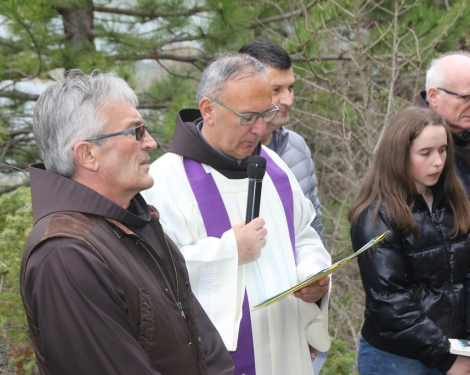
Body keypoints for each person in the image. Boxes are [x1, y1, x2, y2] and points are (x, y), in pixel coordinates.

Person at [19, 71, 234, 375]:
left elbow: (203, 342)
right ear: (88, 154)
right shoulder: (65, 255)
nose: (151, 142)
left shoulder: (136, 222)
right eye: (135, 132)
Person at [142, 54, 331, 375]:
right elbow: (152, 276)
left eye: (265, 114)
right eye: (247, 117)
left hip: (287, 348)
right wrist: (230, 252)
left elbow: (304, 235)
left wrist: (313, 274)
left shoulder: (277, 169)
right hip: (218, 359)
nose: (260, 129)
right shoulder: (164, 183)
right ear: (208, 110)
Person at [348, 106, 470, 375]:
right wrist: (446, 359)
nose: (438, 161)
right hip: (397, 359)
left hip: (453, 350)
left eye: (442, 150)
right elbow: (389, 302)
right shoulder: (375, 214)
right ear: (398, 156)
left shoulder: (450, 199)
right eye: (425, 153)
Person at [415, 52, 470, 372]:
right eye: (467, 97)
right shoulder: (413, 148)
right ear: (433, 96)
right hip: (446, 318)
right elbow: (431, 235)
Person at [238, 39, 324, 241]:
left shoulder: (297, 146)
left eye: (291, 88)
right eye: (276, 90)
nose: (289, 100)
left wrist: (318, 269)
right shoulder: (227, 153)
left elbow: (313, 225)